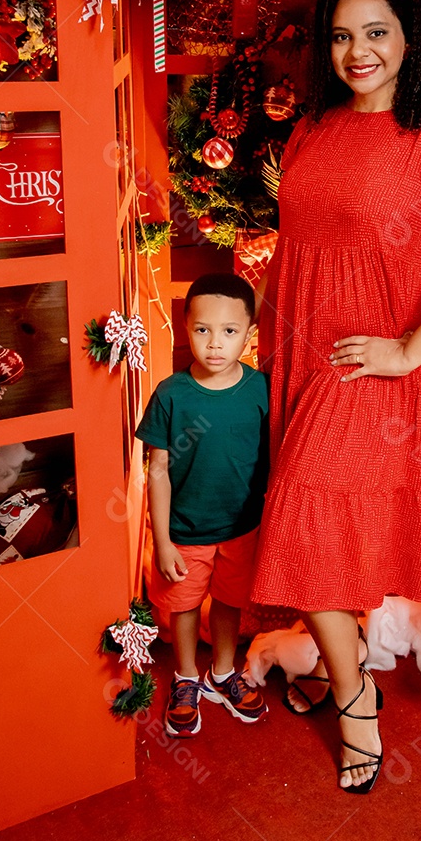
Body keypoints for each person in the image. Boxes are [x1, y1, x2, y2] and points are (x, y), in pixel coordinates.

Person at [250, 0, 421, 792]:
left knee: (298, 526)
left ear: (409, 36)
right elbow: (301, 248)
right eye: (340, 35)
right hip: (297, 357)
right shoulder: (312, 129)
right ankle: (348, 668)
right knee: (321, 535)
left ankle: (354, 696)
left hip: (369, 366)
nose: (357, 51)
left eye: (375, 31)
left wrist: (411, 350)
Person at [136, 273, 270, 738]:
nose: (215, 344)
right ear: (185, 327)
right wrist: (164, 539)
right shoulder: (171, 394)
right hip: (186, 531)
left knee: (230, 603)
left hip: (242, 527)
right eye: (202, 330)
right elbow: (157, 470)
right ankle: (187, 677)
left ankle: (223, 673)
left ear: (249, 334)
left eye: (229, 331)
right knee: (186, 606)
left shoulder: (261, 390)